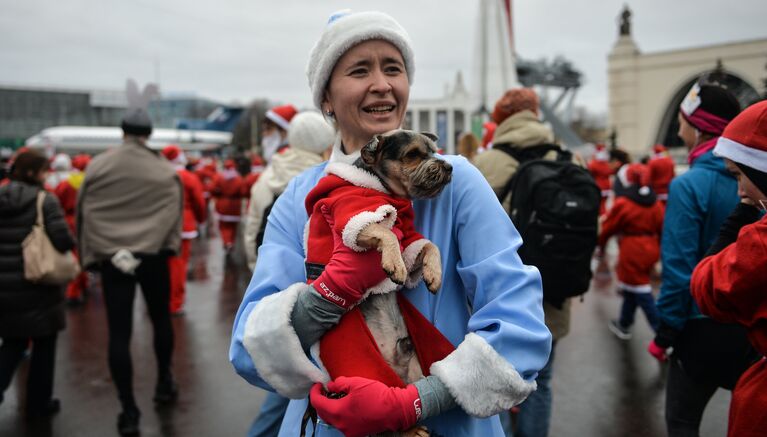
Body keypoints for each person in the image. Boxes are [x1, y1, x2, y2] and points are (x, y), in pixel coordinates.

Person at [230, 10, 550, 437]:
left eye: (393, 68)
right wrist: (334, 291)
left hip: (446, 425)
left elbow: (521, 325)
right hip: (331, 423)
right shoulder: (299, 198)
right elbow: (250, 349)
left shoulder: (455, 182)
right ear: (325, 97)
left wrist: (418, 401)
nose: (381, 83)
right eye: (360, 70)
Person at [647, 82, 755, 437]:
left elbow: (679, 271)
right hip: (752, 327)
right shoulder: (757, 181)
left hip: (700, 325)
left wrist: (665, 332)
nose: (678, 129)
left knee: (682, 422)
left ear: (698, 126)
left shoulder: (689, 185)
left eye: (682, 120)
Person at [474, 87, 583, 437]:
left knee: (497, 385)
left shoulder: (488, 163)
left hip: (500, 297)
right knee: (542, 383)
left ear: (501, 119)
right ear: (536, 115)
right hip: (554, 290)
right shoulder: (569, 160)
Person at [78, 103, 183, 436]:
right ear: (148, 135)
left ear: (122, 132)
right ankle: (164, 381)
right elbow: (173, 210)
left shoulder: (99, 165)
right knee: (161, 319)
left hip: (113, 256)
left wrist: (93, 253)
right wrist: (164, 243)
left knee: (119, 333)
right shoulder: (163, 169)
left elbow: (85, 211)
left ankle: (128, 410)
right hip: (152, 253)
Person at [690, 100, 767, 437]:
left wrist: (739, 219)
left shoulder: (761, 243)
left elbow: (707, 288)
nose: (739, 190)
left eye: (740, 175)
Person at [0, 150, 74, 418]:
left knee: (12, 342)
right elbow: (62, 240)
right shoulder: (45, 200)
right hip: (38, 282)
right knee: (44, 344)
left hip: (5, 285)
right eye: (44, 170)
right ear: (33, 173)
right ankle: (38, 404)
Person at [244, 111, 334, 272]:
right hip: (320, 280)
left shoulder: (267, 176)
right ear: (328, 143)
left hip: (273, 273)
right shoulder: (330, 178)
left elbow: (252, 230)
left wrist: (257, 272)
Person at [599, 163, 665, 340]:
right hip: (651, 246)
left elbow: (608, 228)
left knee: (641, 290)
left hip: (632, 250)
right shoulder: (656, 203)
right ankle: (624, 323)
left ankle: (662, 334)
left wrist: (600, 244)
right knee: (632, 288)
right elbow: (662, 228)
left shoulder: (624, 203)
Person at [161, 145, 207, 316]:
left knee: (163, 264)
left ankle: (162, 298)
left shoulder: (159, 175)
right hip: (184, 224)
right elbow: (198, 201)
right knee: (178, 264)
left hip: (161, 224)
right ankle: (175, 302)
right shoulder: (187, 177)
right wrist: (201, 219)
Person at [54, 153, 91, 305]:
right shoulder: (90, 182)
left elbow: (56, 201)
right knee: (82, 256)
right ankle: (76, 288)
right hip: (86, 222)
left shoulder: (66, 183)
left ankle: (78, 285)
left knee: (75, 255)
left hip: (68, 221)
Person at [211, 159, 244, 253]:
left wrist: (218, 194)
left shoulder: (219, 177)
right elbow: (243, 192)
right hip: (235, 206)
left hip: (223, 205)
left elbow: (213, 189)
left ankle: (226, 241)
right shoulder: (238, 179)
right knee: (233, 226)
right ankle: (231, 242)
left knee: (224, 226)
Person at [588, 143, 613, 215]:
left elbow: (589, 170)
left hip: (599, 186)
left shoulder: (594, 163)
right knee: (603, 205)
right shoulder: (606, 164)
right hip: (605, 187)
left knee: (599, 204)